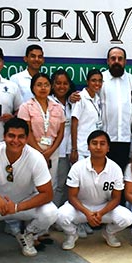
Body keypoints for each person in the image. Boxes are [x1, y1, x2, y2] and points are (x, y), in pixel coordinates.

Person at [0, 118, 59, 263]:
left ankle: (28, 235)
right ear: (4, 136)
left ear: (27, 138)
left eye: (21, 136)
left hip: (22, 205)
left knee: (51, 212)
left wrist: (16, 207)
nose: (15, 140)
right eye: (11, 136)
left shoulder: (36, 158)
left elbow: (47, 194)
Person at [58, 130, 132, 250]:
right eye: (94, 143)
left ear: (108, 148)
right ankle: (72, 235)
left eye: (102, 143)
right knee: (60, 215)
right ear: (88, 146)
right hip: (81, 208)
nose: (98, 147)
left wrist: (101, 213)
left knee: (127, 218)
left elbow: (116, 198)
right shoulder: (78, 167)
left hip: (104, 208)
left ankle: (109, 233)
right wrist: (87, 213)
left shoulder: (115, 169)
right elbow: (72, 197)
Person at [17, 72, 66, 183]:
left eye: (46, 85)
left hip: (52, 150)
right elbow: (26, 131)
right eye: (39, 85)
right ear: (32, 87)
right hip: (32, 149)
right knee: (32, 183)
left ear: (51, 87)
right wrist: (39, 152)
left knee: (51, 182)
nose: (43, 88)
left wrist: (50, 152)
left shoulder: (57, 107)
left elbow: (61, 133)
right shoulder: (26, 107)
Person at [100, 47, 132, 171]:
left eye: (120, 59)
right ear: (108, 61)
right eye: (113, 58)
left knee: (123, 176)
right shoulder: (100, 80)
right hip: (105, 139)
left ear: (125, 61)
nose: (116, 61)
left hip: (127, 139)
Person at [49, 69, 76, 208]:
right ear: (52, 85)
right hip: (54, 150)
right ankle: (52, 215)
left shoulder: (72, 102)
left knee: (67, 185)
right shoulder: (48, 102)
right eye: (58, 83)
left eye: (65, 83)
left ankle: (61, 215)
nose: (62, 86)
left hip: (69, 149)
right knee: (56, 185)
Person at [71, 69, 103, 161]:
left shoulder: (98, 99)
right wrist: (74, 149)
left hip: (93, 149)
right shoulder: (80, 98)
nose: (97, 83)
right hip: (80, 149)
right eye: (93, 80)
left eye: (100, 81)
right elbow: (74, 124)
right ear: (87, 81)